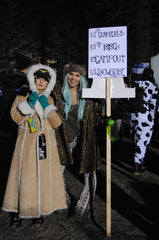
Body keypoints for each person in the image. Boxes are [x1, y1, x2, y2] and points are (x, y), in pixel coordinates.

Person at [2, 64, 67, 227]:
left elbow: (57, 123)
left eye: (45, 80)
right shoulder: (22, 96)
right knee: (23, 178)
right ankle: (17, 211)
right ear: (33, 79)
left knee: (42, 179)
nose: (41, 82)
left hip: (45, 144)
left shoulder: (50, 98)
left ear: (48, 83)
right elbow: (15, 117)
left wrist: (47, 106)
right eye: (38, 78)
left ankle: (39, 210)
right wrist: (29, 105)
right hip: (26, 143)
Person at [53, 63, 102, 221]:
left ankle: (83, 208)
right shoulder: (57, 93)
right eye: (71, 74)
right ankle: (63, 201)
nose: (73, 77)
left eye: (77, 75)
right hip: (62, 138)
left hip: (85, 139)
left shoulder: (89, 96)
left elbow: (97, 119)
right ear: (67, 75)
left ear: (82, 78)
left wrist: (106, 117)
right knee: (56, 172)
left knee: (89, 172)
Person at [129, 67, 159, 175]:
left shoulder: (136, 84)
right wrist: (152, 118)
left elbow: (129, 99)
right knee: (143, 139)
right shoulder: (152, 87)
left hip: (133, 116)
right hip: (145, 116)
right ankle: (137, 164)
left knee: (136, 138)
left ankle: (139, 162)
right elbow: (153, 104)